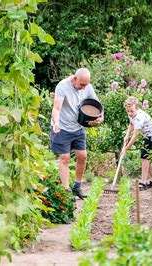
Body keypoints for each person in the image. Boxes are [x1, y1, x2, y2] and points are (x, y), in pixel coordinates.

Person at [50, 68, 103, 199]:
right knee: (65, 158)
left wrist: (100, 118)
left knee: (82, 156)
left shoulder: (87, 86)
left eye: (86, 84)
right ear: (74, 78)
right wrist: (56, 122)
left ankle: (77, 186)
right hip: (61, 127)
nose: (84, 87)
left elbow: (97, 105)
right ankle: (66, 191)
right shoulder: (62, 86)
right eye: (82, 84)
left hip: (78, 127)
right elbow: (56, 108)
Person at [120, 96, 152, 190]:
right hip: (146, 135)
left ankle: (143, 182)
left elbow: (135, 136)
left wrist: (125, 149)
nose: (129, 113)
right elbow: (131, 124)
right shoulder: (131, 114)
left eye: (131, 111)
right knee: (146, 156)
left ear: (137, 108)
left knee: (145, 157)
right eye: (128, 111)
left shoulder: (139, 117)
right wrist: (127, 135)